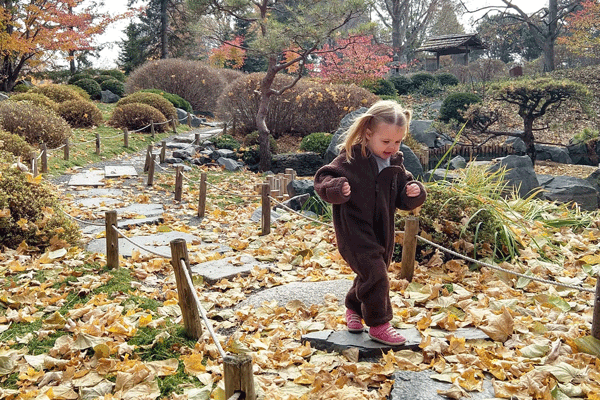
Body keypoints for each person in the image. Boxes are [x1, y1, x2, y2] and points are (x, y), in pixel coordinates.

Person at [313, 100, 427, 346]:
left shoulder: (395, 163)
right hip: (353, 229)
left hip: (382, 231)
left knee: (373, 271)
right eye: (386, 142)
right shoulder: (352, 158)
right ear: (368, 133)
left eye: (398, 142)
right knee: (375, 272)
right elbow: (323, 178)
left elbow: (402, 194)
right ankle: (379, 324)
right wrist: (336, 188)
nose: (392, 147)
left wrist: (413, 191)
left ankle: (354, 307)